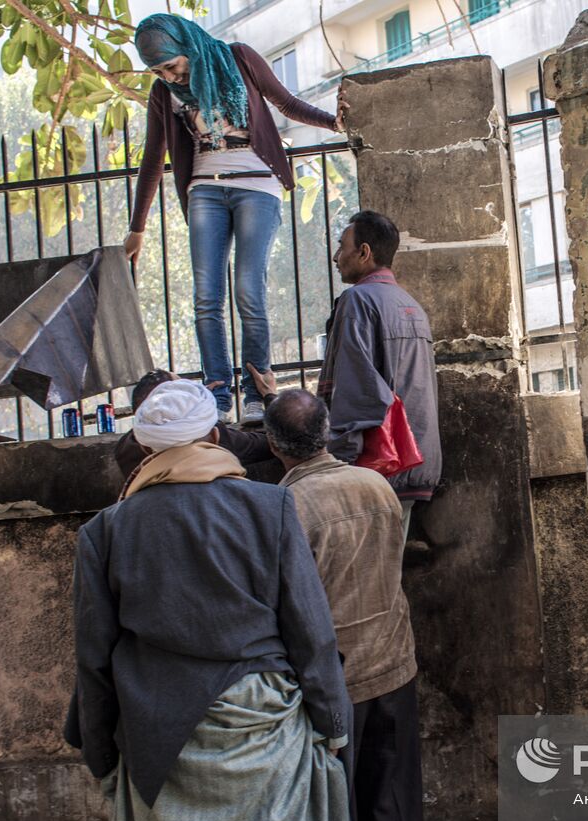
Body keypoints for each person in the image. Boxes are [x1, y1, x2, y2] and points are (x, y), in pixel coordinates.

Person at [66, 379, 352, 821]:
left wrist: (101, 756)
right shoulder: (269, 506)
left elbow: (93, 662)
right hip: (265, 728)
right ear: (215, 435)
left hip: (157, 736)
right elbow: (310, 631)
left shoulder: (104, 532)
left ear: (145, 450)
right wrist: (331, 723)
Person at [261, 388, 436, 821]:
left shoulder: (283, 508)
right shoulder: (376, 486)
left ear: (271, 444)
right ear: (329, 429)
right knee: (395, 813)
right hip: (393, 667)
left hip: (331, 689)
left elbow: (286, 608)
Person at [125, 14, 347, 423]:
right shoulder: (162, 93)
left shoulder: (239, 59)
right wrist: (137, 228)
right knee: (206, 297)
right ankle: (218, 396)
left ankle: (256, 391)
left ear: (188, 47)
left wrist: (333, 123)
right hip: (204, 190)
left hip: (256, 186)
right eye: (158, 71)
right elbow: (153, 161)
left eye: (171, 66)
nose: (168, 77)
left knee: (249, 289)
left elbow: (286, 102)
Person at [320, 210, 441, 533]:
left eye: (341, 246)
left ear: (364, 252)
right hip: (417, 462)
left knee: (365, 578)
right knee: (388, 575)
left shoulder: (357, 301)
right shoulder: (412, 305)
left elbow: (356, 390)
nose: (336, 257)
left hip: (378, 465)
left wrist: (339, 460)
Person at [113, 366, 278, 478]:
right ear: (214, 437)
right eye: (183, 390)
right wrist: (270, 396)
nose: (188, 392)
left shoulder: (125, 447)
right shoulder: (210, 435)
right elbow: (272, 442)